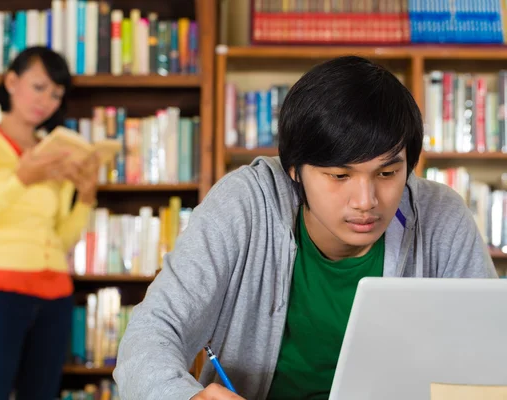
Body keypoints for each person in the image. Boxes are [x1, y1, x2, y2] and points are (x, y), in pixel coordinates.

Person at [112, 55, 498, 400]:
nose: (366, 200)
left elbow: (489, 353)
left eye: (387, 172)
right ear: (294, 168)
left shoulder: (441, 217)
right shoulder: (245, 204)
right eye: (338, 175)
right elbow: (149, 337)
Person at [0, 46, 99, 400]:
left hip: (55, 294)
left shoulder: (55, 149)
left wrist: (86, 198)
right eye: (39, 86)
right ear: (11, 81)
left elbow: (59, 238)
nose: (46, 100)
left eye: (56, 94)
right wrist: (20, 180)